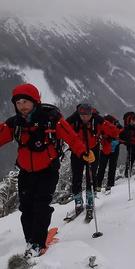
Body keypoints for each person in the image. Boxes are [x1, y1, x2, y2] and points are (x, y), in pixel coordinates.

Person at [0, 83, 92, 257]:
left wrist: (83, 152)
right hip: (26, 171)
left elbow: (70, 137)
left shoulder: (51, 119)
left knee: (41, 206)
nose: (22, 106)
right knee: (26, 208)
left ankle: (38, 243)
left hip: (48, 170)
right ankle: (30, 240)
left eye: (25, 102)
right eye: (18, 103)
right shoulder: (15, 124)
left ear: (35, 101)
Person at [66, 104, 119, 219]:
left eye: (87, 115)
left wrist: (103, 122)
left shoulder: (97, 121)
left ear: (91, 114)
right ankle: (78, 201)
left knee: (91, 176)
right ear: (79, 114)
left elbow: (114, 132)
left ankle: (90, 199)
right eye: (82, 115)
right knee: (76, 176)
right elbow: (62, 130)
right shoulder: (73, 121)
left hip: (93, 150)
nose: (85, 118)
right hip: (77, 151)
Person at [95, 114, 123, 193]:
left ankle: (98, 185)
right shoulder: (116, 124)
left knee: (102, 167)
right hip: (112, 148)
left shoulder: (102, 125)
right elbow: (122, 134)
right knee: (111, 167)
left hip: (105, 149)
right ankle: (110, 185)